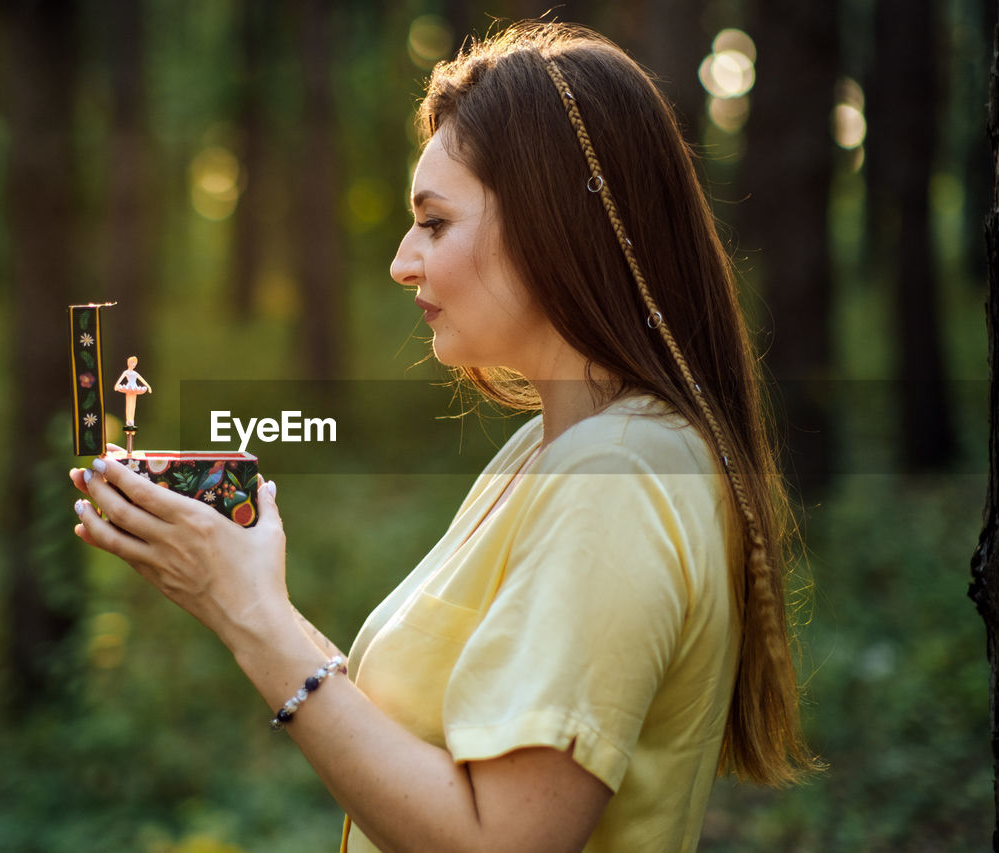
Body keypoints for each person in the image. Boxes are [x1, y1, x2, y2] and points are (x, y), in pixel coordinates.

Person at [70, 21, 818, 851]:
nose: (401, 261)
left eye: (434, 222)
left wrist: (250, 616)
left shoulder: (618, 475)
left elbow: (501, 839)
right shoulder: (554, 446)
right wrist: (244, 591)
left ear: (552, 224)